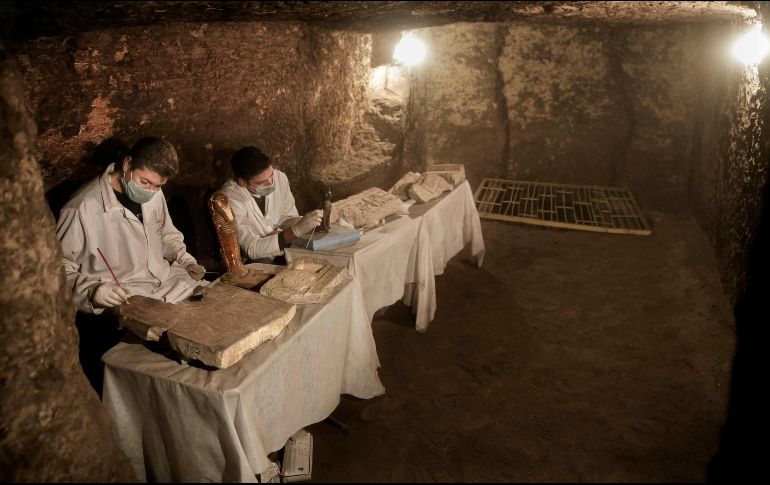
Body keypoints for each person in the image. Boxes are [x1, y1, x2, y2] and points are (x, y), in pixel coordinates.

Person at [56, 137, 205, 393]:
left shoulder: (154, 195)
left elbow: (166, 234)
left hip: (167, 284)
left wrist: (185, 258)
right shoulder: (82, 207)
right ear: (127, 164)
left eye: (159, 185)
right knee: (170, 374)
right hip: (126, 300)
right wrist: (91, 291)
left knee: (210, 325)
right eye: (145, 182)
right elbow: (57, 269)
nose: (151, 191)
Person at [220, 146, 321, 263]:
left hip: (282, 250)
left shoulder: (279, 178)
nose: (270, 183)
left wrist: (310, 223)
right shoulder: (230, 198)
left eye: (271, 175)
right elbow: (252, 248)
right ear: (242, 182)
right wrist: (295, 231)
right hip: (254, 261)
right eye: (261, 182)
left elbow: (285, 218)